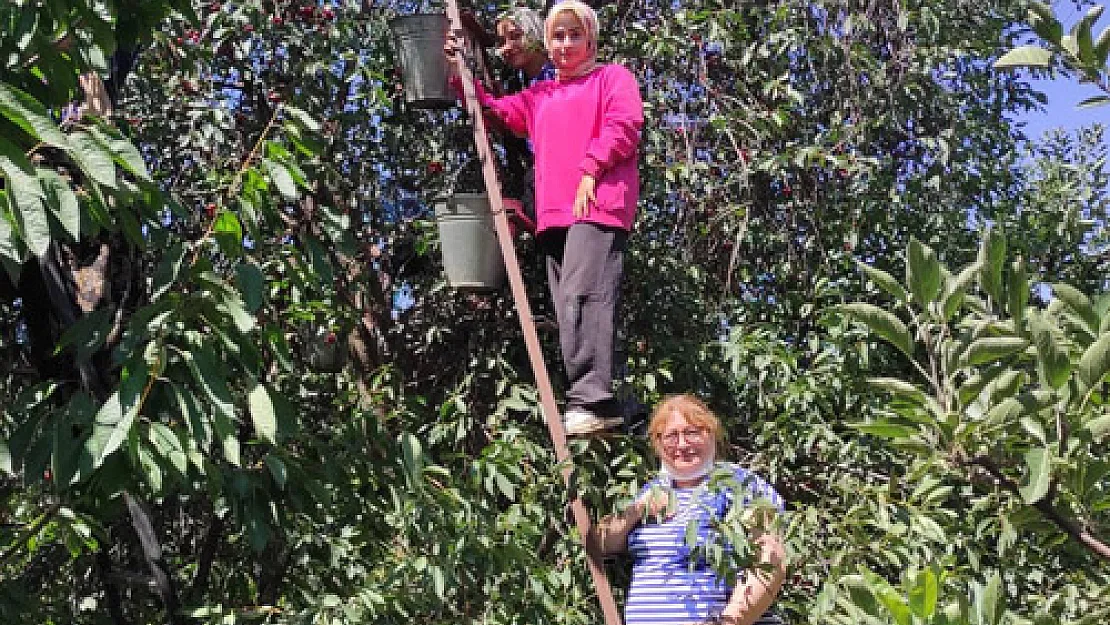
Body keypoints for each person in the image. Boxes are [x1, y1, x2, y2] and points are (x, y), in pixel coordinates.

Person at [446, 1, 643, 436]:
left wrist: (592, 167)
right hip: (556, 215)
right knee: (568, 304)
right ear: (548, 44)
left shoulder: (611, 78)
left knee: (584, 294)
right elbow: (496, 112)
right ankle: (602, 402)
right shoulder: (541, 96)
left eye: (575, 34)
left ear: (590, 38)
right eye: (558, 36)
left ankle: (591, 397)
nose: (566, 43)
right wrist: (459, 74)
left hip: (597, 202)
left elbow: (625, 124)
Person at [587, 394, 787, 625]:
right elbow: (599, 543)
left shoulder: (738, 484)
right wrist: (637, 511)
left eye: (692, 432)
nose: (682, 444)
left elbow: (771, 560)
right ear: (658, 442)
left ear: (711, 433)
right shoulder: (652, 489)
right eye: (671, 436)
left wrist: (731, 621)